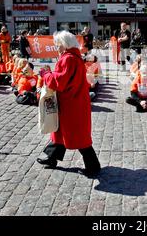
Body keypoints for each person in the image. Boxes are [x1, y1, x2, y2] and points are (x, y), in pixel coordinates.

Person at [37, 31, 101, 177]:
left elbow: (59, 82)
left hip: (70, 104)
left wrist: (45, 74)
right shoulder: (74, 58)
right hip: (74, 102)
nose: (56, 47)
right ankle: (51, 158)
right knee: (62, 132)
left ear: (64, 45)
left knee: (78, 137)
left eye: (57, 45)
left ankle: (93, 166)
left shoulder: (68, 59)